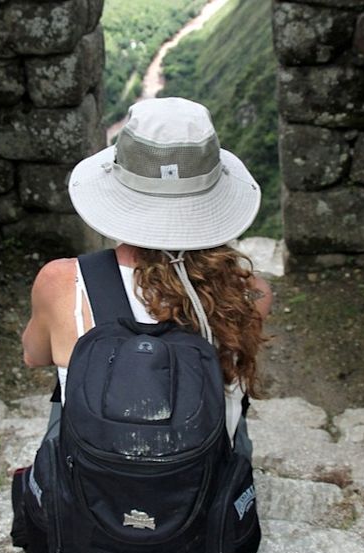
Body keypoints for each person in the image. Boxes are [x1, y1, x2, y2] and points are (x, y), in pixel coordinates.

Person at [21, 96, 271, 454]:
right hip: (199, 489)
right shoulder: (249, 294)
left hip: (97, 490)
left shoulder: (62, 283)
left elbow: (34, 356)